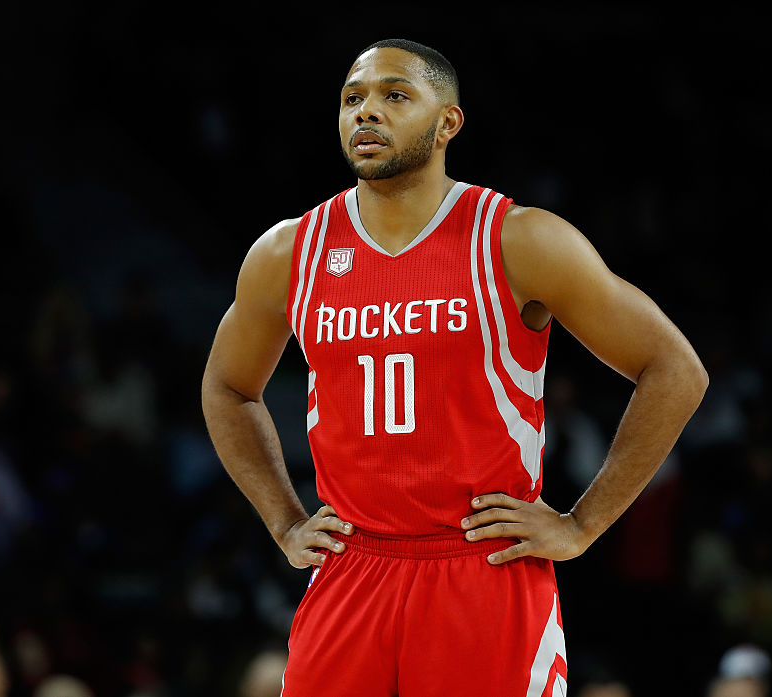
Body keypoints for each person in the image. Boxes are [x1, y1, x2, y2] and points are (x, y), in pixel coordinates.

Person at [201, 38, 707, 695]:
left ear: (448, 123)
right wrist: (284, 518)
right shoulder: (288, 251)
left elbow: (675, 368)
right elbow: (228, 385)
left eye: (395, 95)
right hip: (352, 566)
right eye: (353, 98)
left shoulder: (518, 239)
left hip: (482, 563)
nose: (367, 113)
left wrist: (583, 523)